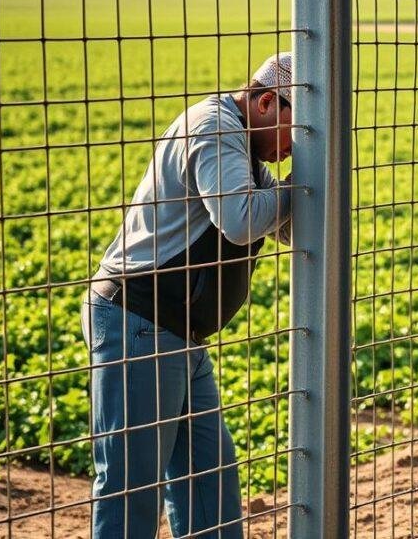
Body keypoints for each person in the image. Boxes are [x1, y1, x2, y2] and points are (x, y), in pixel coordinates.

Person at [82, 52, 295, 538]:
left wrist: (295, 193)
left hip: (178, 332)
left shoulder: (244, 141)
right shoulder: (215, 128)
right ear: (266, 101)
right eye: (297, 132)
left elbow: (283, 226)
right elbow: (242, 220)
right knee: (131, 489)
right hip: (141, 321)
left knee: (209, 482)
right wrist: (302, 189)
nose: (293, 149)